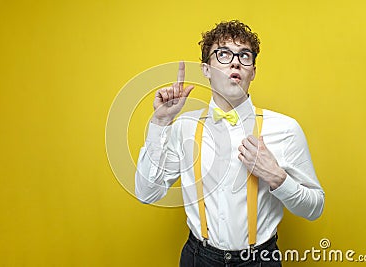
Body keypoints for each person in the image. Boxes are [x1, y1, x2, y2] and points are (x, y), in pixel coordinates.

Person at [135, 20, 324, 266]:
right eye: (223, 54)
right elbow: (147, 193)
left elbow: (315, 208)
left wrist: (278, 178)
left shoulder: (285, 129)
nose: (235, 61)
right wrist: (160, 123)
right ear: (206, 69)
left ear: (252, 71)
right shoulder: (184, 127)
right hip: (198, 258)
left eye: (244, 55)